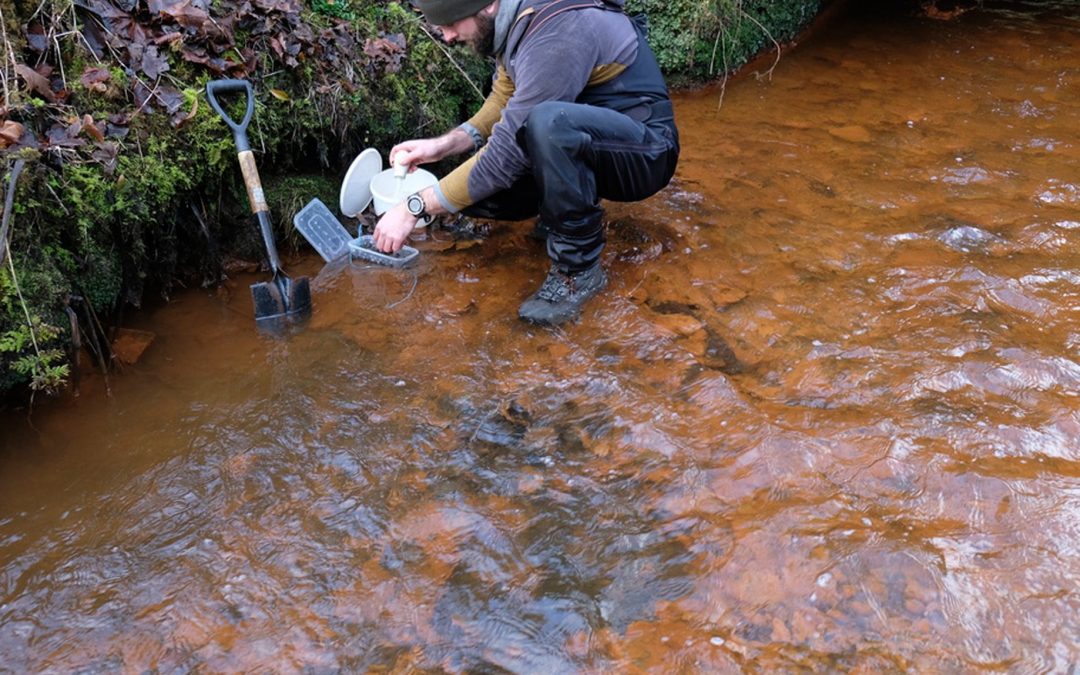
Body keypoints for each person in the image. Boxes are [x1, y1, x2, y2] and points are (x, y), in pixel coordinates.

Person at [373, 0, 679, 326]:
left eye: (451, 24)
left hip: (647, 153)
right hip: (593, 141)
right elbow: (504, 98)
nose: (447, 37)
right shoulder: (513, 20)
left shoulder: (557, 31)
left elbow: (505, 156)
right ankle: (559, 216)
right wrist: (443, 146)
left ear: (488, 6)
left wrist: (414, 207)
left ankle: (577, 271)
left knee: (547, 124)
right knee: (474, 195)